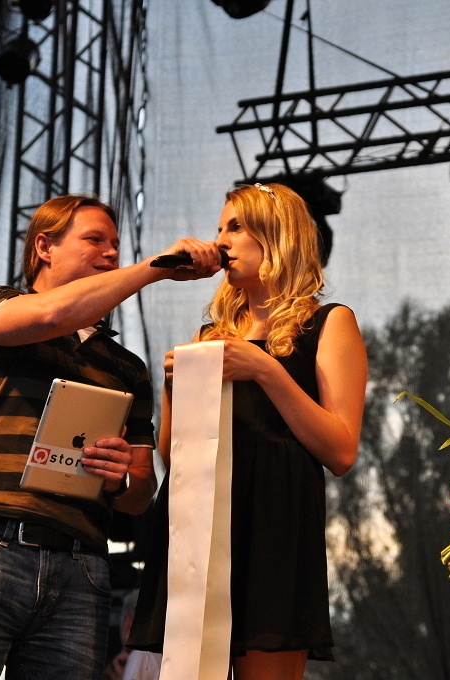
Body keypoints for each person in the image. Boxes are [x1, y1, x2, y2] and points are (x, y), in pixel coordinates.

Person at [0, 194, 223, 680]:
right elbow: (52, 316)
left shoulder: (126, 368)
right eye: (95, 239)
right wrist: (154, 269)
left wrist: (119, 478)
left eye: (116, 245)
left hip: (81, 567)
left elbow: (141, 494)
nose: (110, 252)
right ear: (44, 247)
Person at [128, 182, 368, 680]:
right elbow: (174, 457)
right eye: (220, 229)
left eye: (236, 227)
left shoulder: (329, 322)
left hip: (275, 530)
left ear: (277, 236)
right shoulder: (209, 337)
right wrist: (174, 387)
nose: (221, 241)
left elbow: (341, 451)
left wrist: (263, 369)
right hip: (199, 528)